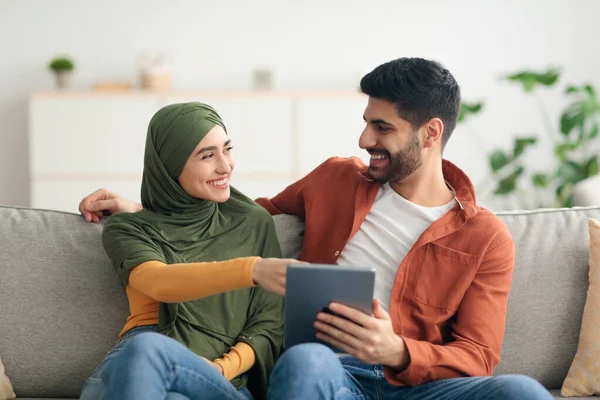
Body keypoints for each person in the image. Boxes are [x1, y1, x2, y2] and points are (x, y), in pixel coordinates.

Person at [79, 57, 553, 399]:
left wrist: (396, 350)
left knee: (523, 392)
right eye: (366, 122)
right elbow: (240, 217)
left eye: (382, 128)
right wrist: (147, 210)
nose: (365, 139)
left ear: (430, 133)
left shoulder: (485, 237)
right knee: (305, 360)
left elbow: (477, 356)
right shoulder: (336, 179)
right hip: (330, 375)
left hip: (418, 387)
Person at [79, 102, 301, 400]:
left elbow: (269, 323)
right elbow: (160, 281)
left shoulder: (251, 222)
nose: (225, 166)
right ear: (170, 166)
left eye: (227, 148)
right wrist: (252, 270)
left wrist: (221, 368)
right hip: (138, 360)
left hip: (218, 375)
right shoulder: (127, 228)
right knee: (148, 354)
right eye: (207, 155)